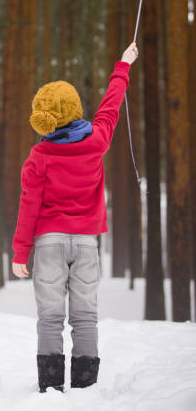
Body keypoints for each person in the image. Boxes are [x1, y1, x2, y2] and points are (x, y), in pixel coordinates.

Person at [12, 42, 139, 393]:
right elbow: (110, 107)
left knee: (50, 319)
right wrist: (123, 66)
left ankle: (51, 390)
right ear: (76, 109)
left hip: (49, 244)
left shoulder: (39, 156)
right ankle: (86, 390)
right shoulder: (97, 141)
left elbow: (28, 207)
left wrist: (21, 252)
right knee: (85, 318)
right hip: (86, 244)